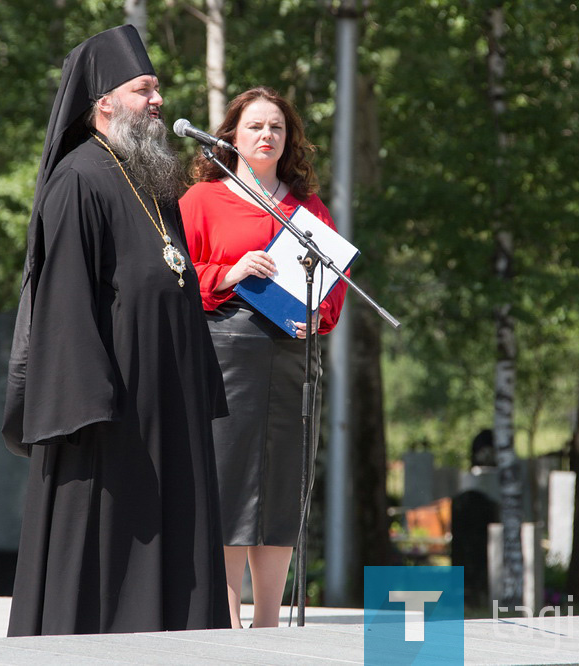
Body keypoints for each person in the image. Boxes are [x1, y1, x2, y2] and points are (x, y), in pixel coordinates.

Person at [1, 25, 231, 636]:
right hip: (110, 419)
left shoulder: (157, 183)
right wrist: (90, 406)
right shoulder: (78, 181)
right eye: (143, 89)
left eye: (157, 89)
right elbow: (65, 307)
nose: (158, 100)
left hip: (169, 410)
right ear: (103, 101)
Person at [179, 87, 348, 629]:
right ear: (231, 135)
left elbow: (334, 286)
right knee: (229, 484)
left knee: (281, 487)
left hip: (292, 357)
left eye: (277, 127)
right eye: (254, 126)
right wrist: (229, 272)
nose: (266, 135)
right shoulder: (203, 199)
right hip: (226, 352)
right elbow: (171, 272)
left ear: (289, 140)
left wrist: (316, 317)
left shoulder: (308, 209)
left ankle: (269, 622)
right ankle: (227, 621)